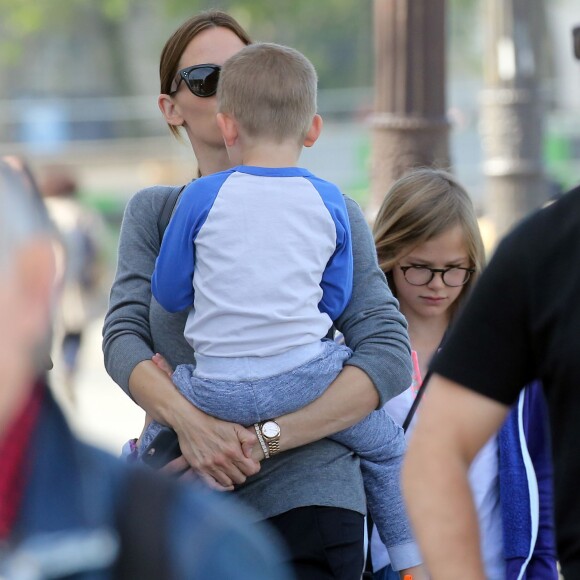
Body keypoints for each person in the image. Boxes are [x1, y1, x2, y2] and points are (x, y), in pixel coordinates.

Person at [103, 9, 414, 578]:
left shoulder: (333, 207)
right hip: (187, 499)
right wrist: (192, 427)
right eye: (207, 77)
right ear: (171, 107)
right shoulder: (155, 211)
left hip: (313, 490)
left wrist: (264, 439)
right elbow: (122, 339)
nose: (231, 89)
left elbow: (388, 351)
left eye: (243, 68)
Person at [0, 158, 293, 579]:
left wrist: (247, 440)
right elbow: (122, 333)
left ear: (33, 283)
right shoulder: (188, 539)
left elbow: (381, 356)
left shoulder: (196, 547)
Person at [369, 168, 558, 579]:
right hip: (389, 569)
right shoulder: (357, 348)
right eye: (418, 267)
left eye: (455, 269)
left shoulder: (508, 352)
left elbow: (539, 475)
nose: (438, 285)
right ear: (388, 254)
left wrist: (539, 569)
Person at [39, 167, 104, 402]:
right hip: (75, 285)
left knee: (44, 330)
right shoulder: (81, 213)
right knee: (74, 332)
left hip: (41, 286)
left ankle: (42, 378)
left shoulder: (35, 210)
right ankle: (68, 367)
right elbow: (96, 249)